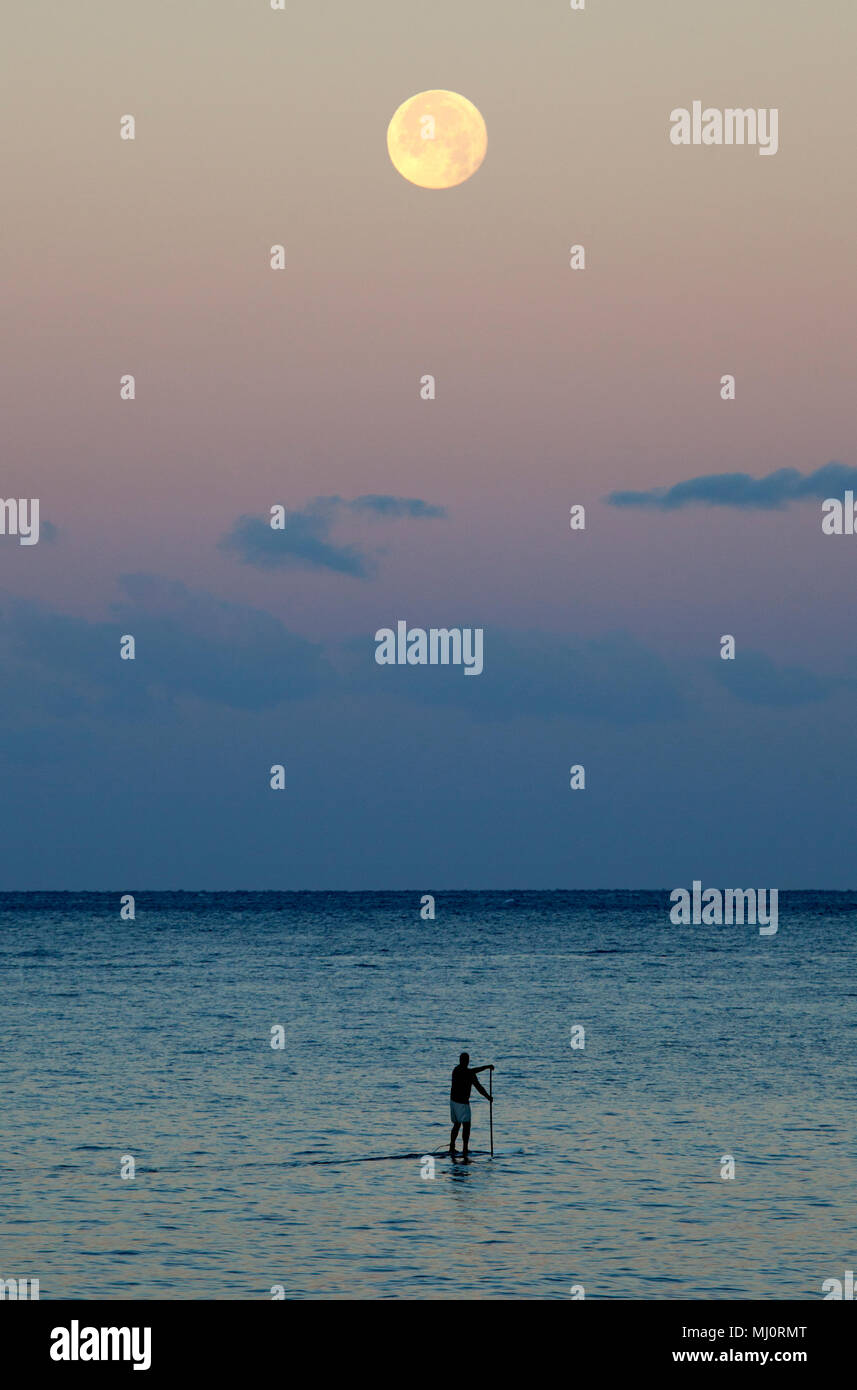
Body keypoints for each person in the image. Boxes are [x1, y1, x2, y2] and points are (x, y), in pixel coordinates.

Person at [449, 1052, 493, 1157]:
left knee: (457, 1124)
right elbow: (479, 1087)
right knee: (466, 1125)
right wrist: (488, 1097)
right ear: (467, 1061)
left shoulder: (456, 1070)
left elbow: (472, 1072)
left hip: (453, 1102)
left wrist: (485, 1067)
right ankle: (465, 1148)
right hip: (462, 1104)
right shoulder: (468, 1073)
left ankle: (452, 1146)